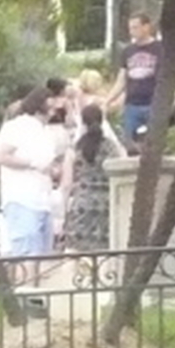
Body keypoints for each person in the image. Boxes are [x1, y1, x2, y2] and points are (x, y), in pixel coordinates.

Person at [0, 87, 61, 282]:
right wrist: (32, 164)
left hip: (42, 198)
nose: (55, 108)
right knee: (25, 252)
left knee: (37, 254)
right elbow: (2, 156)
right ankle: (26, 297)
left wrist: (53, 170)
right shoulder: (17, 127)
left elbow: (47, 162)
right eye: (51, 103)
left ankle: (34, 295)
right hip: (22, 198)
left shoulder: (46, 132)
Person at [57, 102, 113, 259]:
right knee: (103, 256)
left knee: (75, 254)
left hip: (82, 202)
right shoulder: (111, 148)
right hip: (105, 204)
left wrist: (63, 210)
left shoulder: (75, 149)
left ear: (82, 122)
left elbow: (67, 184)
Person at [118, 13, 161, 145]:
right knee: (129, 141)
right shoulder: (127, 51)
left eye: (135, 27)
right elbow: (121, 80)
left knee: (154, 142)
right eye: (130, 28)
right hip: (132, 104)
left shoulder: (160, 48)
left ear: (146, 27)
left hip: (153, 102)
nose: (132, 32)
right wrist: (108, 101)